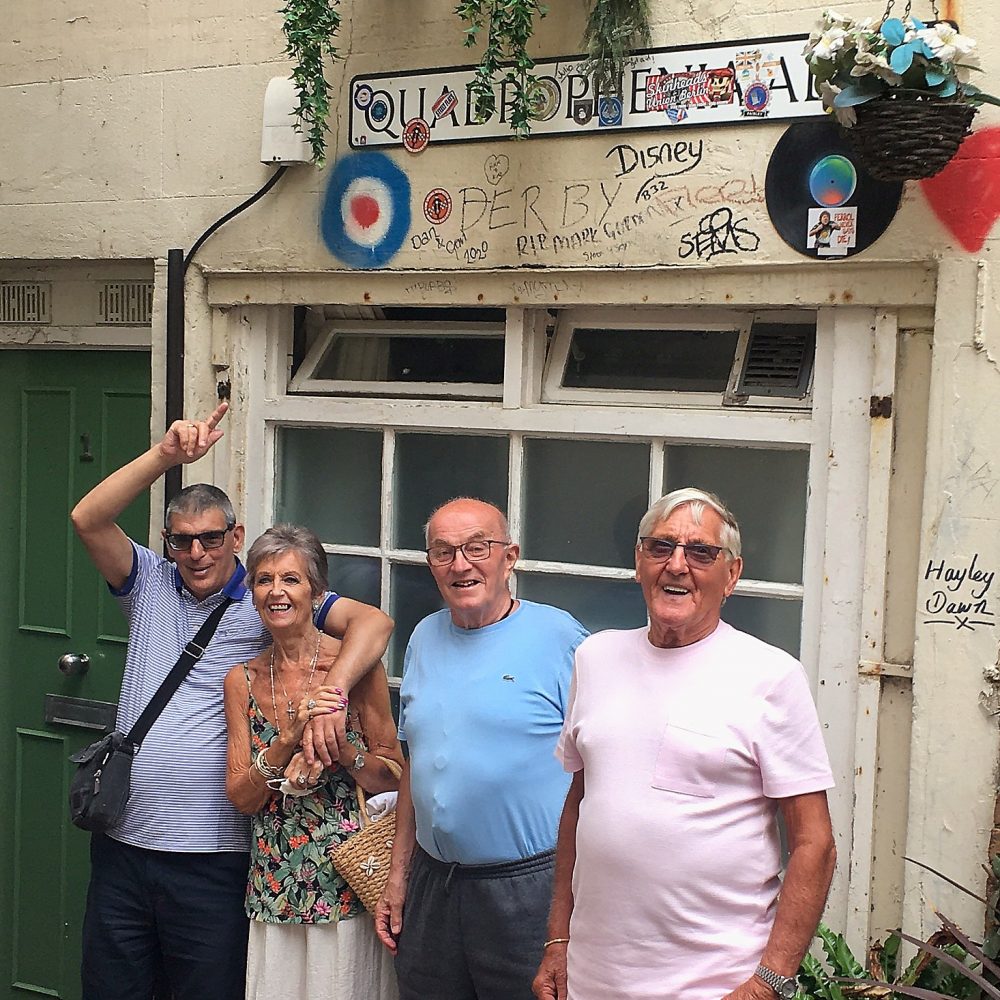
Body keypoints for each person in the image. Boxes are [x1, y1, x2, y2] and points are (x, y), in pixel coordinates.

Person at [69, 402, 393, 1000]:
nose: (196, 553)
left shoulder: (269, 598)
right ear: (168, 543)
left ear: (235, 538)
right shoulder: (148, 583)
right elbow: (88, 518)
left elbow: (373, 623)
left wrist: (330, 696)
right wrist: (165, 456)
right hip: (121, 847)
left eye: (211, 539)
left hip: (212, 860)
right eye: (183, 541)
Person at [534, 487, 837, 1000]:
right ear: (639, 561)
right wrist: (558, 940)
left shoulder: (770, 676)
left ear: (732, 575)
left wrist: (769, 982)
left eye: (701, 552)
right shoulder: (595, 657)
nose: (677, 565)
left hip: (714, 983)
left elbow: (815, 844)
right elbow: (580, 805)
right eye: (660, 547)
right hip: (592, 979)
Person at [374, 497, 589, 1000]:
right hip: (433, 884)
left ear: (509, 557)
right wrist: (398, 875)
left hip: (528, 889)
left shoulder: (561, 639)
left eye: (477, 547)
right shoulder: (424, 636)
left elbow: (602, 769)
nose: (461, 564)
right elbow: (414, 766)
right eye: (444, 552)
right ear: (430, 563)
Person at [224, 524, 401, 1000]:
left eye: (290, 579)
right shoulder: (242, 680)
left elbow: (395, 778)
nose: (276, 592)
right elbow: (242, 796)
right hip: (274, 881)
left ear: (316, 592)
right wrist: (286, 742)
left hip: (349, 879)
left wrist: (342, 752)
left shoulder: (356, 668)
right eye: (263, 580)